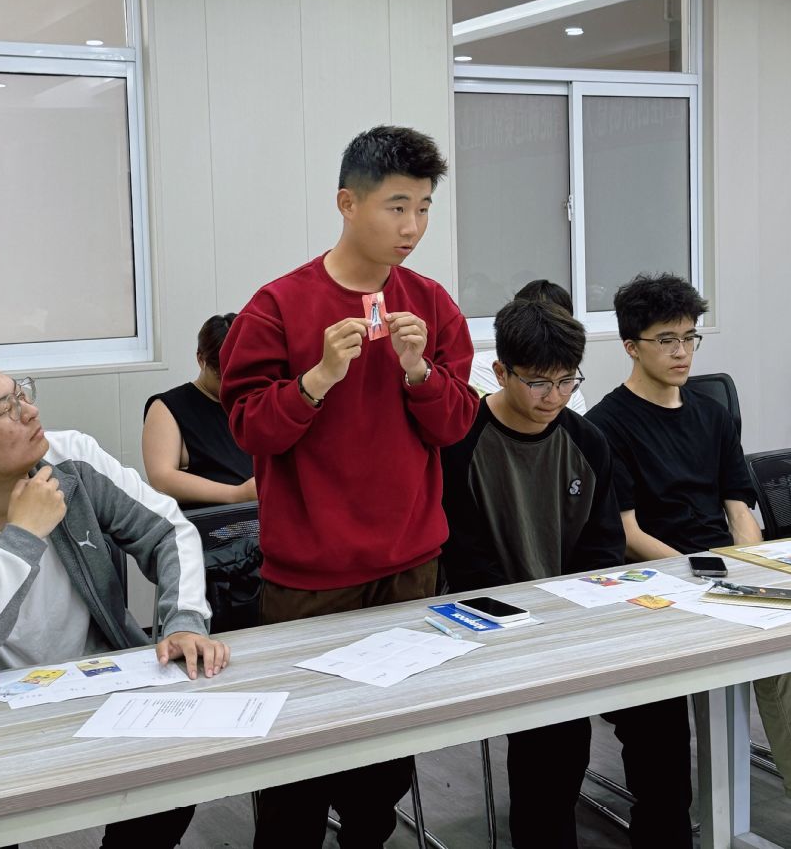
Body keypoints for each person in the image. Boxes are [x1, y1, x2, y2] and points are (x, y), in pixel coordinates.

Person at [219, 124, 478, 849]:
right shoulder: (277, 305)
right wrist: (316, 380)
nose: (412, 227)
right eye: (396, 207)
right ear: (347, 203)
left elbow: (457, 425)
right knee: (297, 766)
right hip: (310, 575)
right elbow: (248, 429)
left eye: (423, 208)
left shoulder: (429, 303)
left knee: (383, 761)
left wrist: (419, 372)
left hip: (408, 567)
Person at [586, 272, 791, 837]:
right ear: (631, 346)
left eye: (689, 337)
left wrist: (755, 571)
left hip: (724, 575)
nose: (682, 352)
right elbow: (628, 532)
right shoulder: (606, 426)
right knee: (666, 726)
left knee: (782, 660)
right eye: (666, 340)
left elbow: (739, 508)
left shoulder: (712, 414)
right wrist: (703, 575)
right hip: (658, 581)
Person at [0, 370, 229, 849]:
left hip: (95, 681)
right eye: (6, 410)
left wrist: (184, 621)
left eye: (22, 393)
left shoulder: (70, 460)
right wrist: (24, 537)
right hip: (4, 713)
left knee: (172, 786)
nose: (30, 411)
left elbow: (168, 530)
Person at [441, 299, 624, 849]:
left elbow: (603, 546)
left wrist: (569, 613)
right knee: (546, 749)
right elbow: (465, 559)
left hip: (570, 623)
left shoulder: (587, 442)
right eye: (539, 383)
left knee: (567, 747)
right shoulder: (461, 443)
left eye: (568, 382)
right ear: (500, 372)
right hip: (490, 624)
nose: (555, 397)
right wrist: (527, 618)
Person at [143, 313, 255, 508]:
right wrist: (238, 494)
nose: (233, 386)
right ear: (201, 360)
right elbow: (161, 478)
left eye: (241, 376)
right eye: (223, 377)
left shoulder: (255, 401)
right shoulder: (167, 408)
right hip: (210, 522)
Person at [470, 279, 587, 413]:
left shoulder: (573, 393)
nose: (553, 399)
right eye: (538, 383)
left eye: (565, 380)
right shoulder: (478, 368)